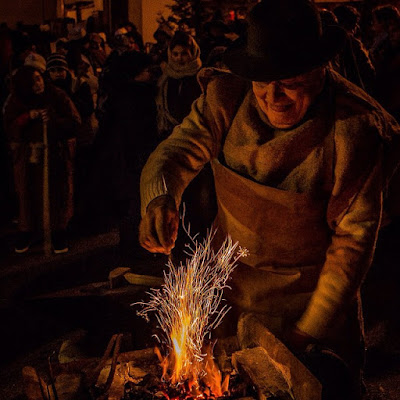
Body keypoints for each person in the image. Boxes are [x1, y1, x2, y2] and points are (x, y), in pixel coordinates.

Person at [138, 0, 400, 398]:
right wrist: (160, 198)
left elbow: (353, 245)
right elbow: (173, 153)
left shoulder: (353, 131)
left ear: (320, 69)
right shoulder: (225, 97)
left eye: (289, 81)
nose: (272, 96)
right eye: (263, 81)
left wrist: (303, 333)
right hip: (231, 296)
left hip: (311, 305)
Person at [3, 66, 81, 253]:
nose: (38, 84)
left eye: (39, 79)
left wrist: (54, 121)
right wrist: (27, 118)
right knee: (28, 193)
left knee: (56, 193)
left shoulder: (56, 95)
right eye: (32, 82)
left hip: (55, 152)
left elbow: (74, 121)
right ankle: (27, 231)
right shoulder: (16, 100)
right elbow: (9, 127)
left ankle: (58, 232)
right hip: (29, 156)